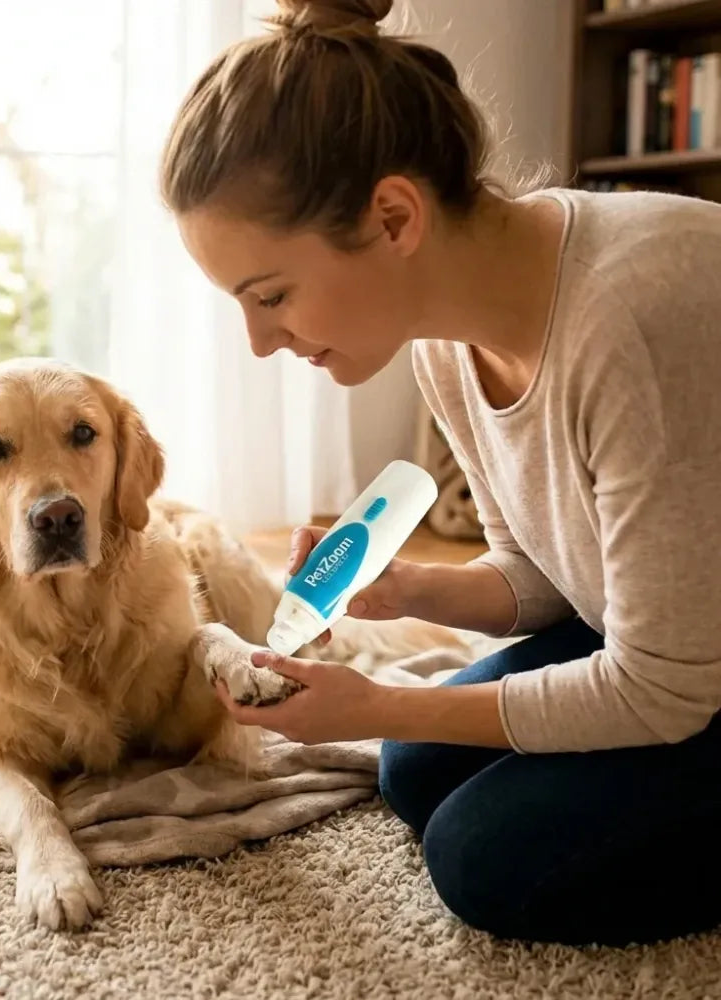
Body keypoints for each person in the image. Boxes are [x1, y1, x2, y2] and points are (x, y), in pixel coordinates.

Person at [158, 0, 721, 948]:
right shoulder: (446, 346)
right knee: (413, 765)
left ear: (392, 216)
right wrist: (405, 587)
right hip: (687, 629)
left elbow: (665, 689)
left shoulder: (632, 316)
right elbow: (549, 577)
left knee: (483, 858)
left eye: (272, 296)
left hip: (689, 666)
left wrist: (373, 702)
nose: (259, 343)